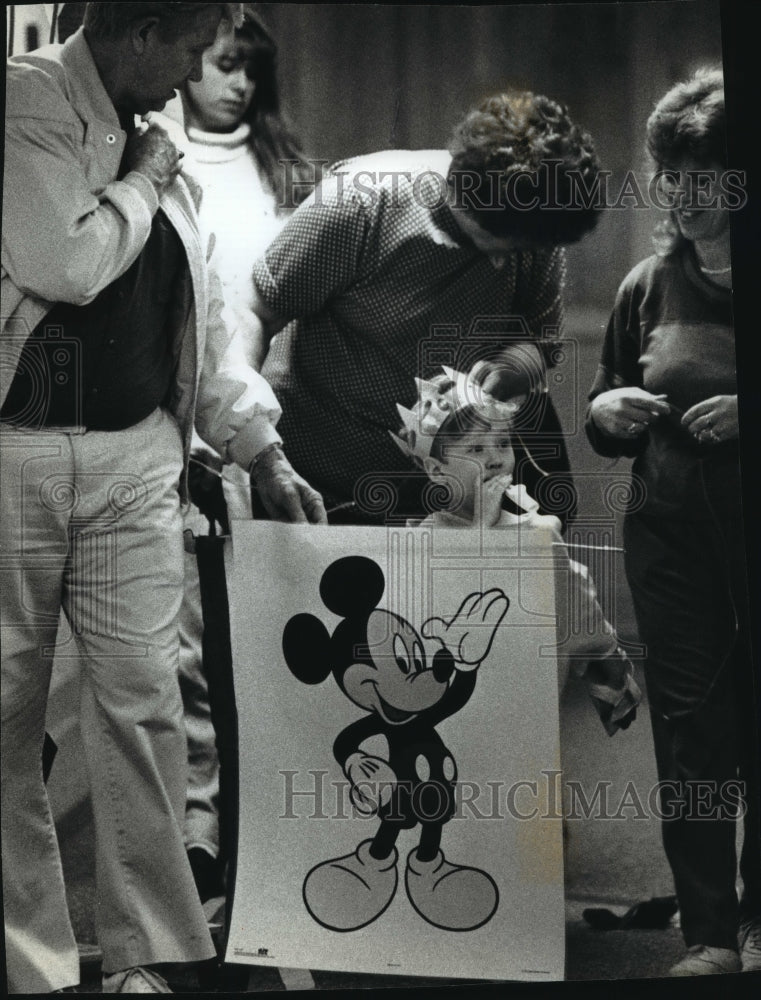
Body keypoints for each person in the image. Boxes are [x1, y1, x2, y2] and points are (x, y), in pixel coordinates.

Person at [0, 3, 325, 994]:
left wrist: (260, 447)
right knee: (9, 716)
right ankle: (38, 968)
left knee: (143, 709)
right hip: (18, 455)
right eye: (188, 52)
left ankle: (150, 964)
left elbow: (206, 314)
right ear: (139, 35)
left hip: (139, 455)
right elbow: (67, 261)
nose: (195, 76)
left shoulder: (157, 135)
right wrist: (143, 184)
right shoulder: (28, 101)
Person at [586, 69, 760, 976]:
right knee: (690, 730)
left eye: (703, 176)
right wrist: (603, 412)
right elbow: (607, 408)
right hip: (671, 546)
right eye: (668, 174)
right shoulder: (646, 284)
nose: (681, 195)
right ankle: (707, 933)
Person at [248, 90, 604, 527]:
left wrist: (513, 365)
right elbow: (254, 313)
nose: (504, 263)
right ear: (464, 200)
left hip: (454, 495)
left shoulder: (535, 225)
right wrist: (257, 447)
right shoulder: (360, 201)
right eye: (498, 245)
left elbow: (541, 342)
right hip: (322, 481)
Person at [169, 6, 316, 903]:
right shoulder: (150, 159)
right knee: (185, 656)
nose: (237, 82)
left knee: (264, 646)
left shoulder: (290, 173)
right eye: (222, 63)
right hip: (177, 424)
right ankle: (200, 848)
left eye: (250, 69)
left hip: (271, 425)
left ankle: (274, 853)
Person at [394, 367, 641, 734]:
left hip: (526, 689)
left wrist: (606, 657)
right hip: (454, 703)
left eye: (503, 443)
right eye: (476, 448)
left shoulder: (533, 526)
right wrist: (481, 534)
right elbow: (426, 616)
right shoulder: (426, 536)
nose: (495, 457)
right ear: (436, 469)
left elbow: (573, 594)